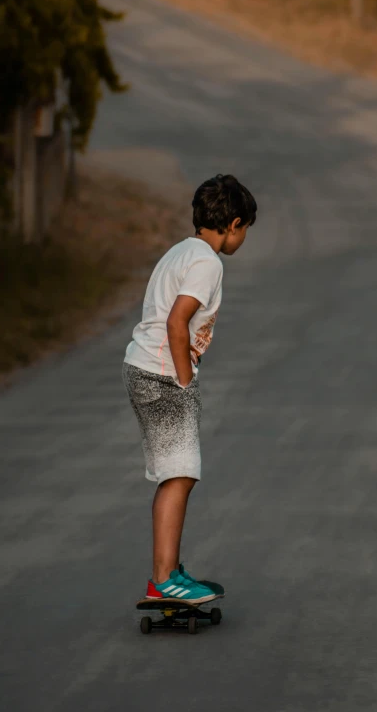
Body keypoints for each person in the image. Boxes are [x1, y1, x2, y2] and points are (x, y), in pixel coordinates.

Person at [122, 174, 257, 603]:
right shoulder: (207, 262)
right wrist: (183, 381)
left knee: (176, 474)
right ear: (234, 224)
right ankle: (164, 581)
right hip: (163, 374)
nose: (243, 239)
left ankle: (169, 568)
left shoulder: (182, 250)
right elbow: (177, 321)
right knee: (178, 476)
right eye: (245, 231)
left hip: (143, 368)